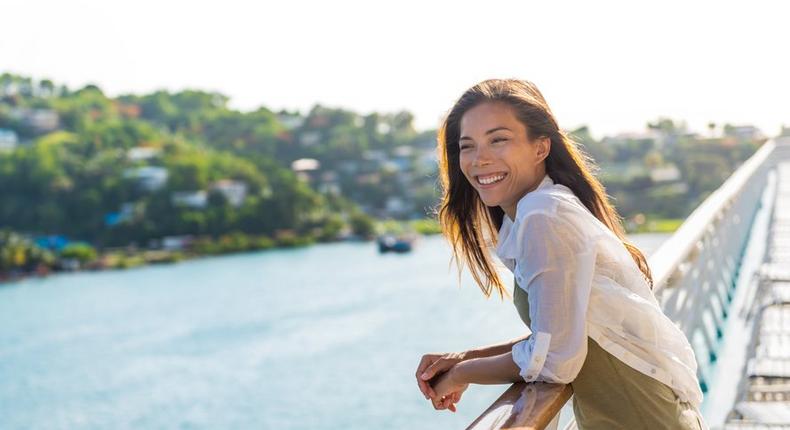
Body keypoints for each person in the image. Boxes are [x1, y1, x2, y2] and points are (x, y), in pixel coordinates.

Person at [414, 79, 708, 429]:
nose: (480, 158)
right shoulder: (540, 210)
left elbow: (555, 359)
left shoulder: (543, 216)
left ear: (540, 149)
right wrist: (464, 358)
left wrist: (463, 372)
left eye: (499, 139)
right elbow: (563, 330)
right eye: (467, 145)